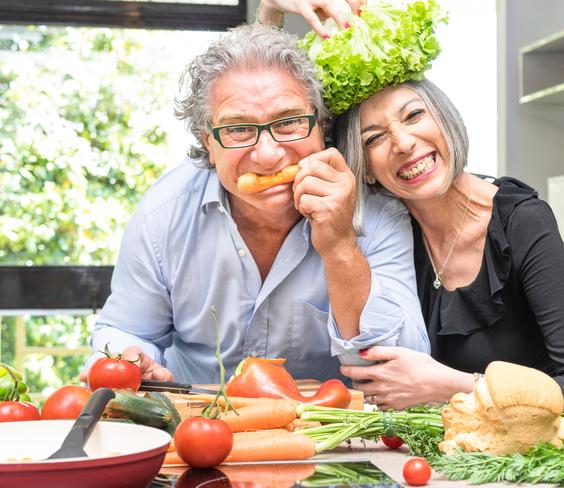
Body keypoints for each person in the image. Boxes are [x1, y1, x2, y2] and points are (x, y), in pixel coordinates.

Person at [259, 0, 564, 423]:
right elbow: (281, 143)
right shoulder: (389, 232)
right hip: (504, 446)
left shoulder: (520, 219)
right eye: (375, 139)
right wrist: (270, 16)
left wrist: (448, 384)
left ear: (444, 119)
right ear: (364, 171)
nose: (404, 143)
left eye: (414, 115)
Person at [85, 23, 429, 385]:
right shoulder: (165, 211)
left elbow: (403, 368)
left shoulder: (376, 211)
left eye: (290, 122)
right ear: (208, 143)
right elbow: (128, 330)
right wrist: (132, 359)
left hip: (325, 434)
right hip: (196, 425)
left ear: (320, 125)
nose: (267, 155)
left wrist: (341, 246)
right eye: (238, 129)